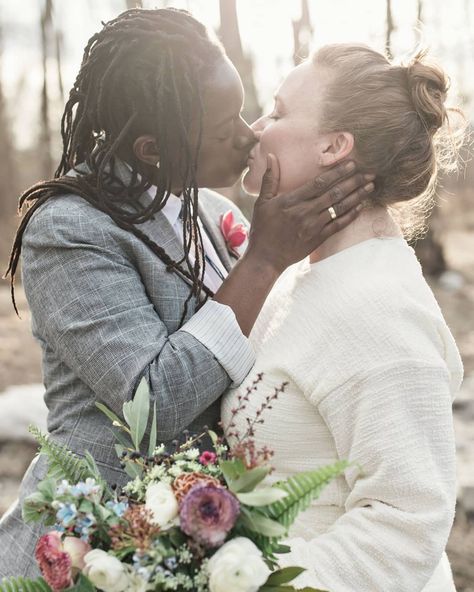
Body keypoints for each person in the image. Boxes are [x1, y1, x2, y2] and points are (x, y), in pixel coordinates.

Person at [0, 10, 371, 577]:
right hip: (86, 551)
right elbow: (149, 401)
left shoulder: (211, 212)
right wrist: (265, 259)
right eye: (224, 128)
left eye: (243, 111)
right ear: (151, 148)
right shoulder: (70, 229)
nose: (248, 134)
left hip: (195, 543)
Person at [222, 44, 464, 592]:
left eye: (279, 112)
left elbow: (407, 523)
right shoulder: (299, 274)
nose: (257, 128)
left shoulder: (379, 309)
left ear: (334, 146)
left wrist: (263, 582)